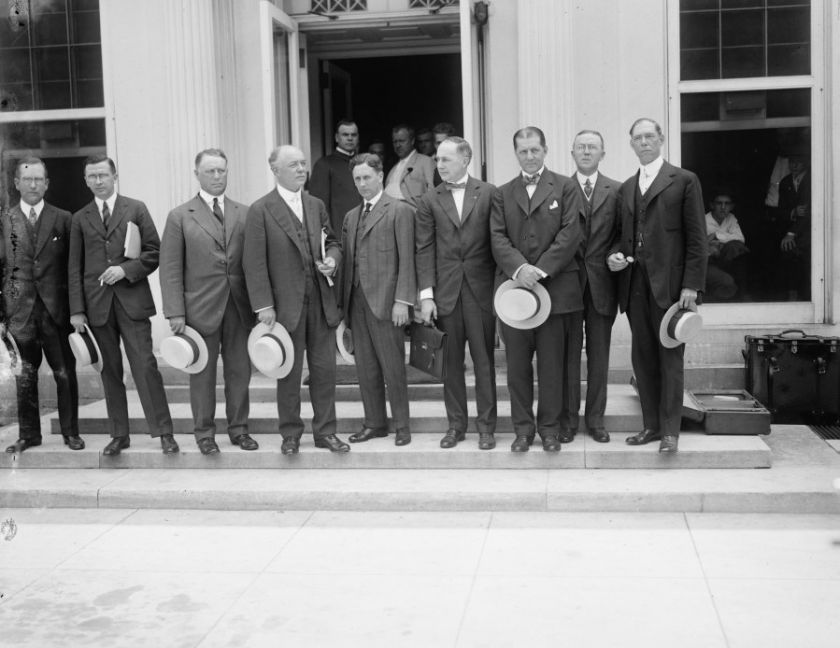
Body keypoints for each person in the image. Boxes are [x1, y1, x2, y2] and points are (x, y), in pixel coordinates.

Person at [607, 118, 707, 453]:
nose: (645, 142)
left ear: (661, 139)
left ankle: (670, 432)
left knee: (670, 359)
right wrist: (615, 258)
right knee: (643, 357)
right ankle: (650, 425)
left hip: (671, 288)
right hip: (635, 285)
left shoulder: (684, 180)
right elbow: (620, 240)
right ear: (631, 144)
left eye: (650, 136)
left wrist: (691, 286)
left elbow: (697, 239)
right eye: (638, 138)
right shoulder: (626, 188)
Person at [243, 145, 349, 455]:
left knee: (324, 371)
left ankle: (326, 432)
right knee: (287, 373)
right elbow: (254, 262)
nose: (302, 169)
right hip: (283, 307)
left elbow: (332, 240)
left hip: (320, 301)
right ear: (275, 170)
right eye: (293, 165)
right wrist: (263, 305)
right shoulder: (261, 209)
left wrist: (332, 258)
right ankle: (290, 434)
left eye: (303, 163)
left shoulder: (315, 204)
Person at [68, 154, 177, 456]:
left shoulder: (135, 208)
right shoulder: (80, 218)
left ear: (115, 176)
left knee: (145, 366)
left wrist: (125, 271)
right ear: (86, 180)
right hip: (96, 306)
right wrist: (77, 311)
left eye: (103, 175)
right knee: (109, 371)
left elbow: (154, 251)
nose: (98, 181)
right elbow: (73, 268)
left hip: (132, 301)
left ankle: (164, 432)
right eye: (92, 176)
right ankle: (119, 435)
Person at [490, 126, 583, 453]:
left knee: (551, 367)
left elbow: (571, 233)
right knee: (516, 368)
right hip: (514, 295)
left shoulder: (566, 187)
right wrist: (520, 269)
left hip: (554, 293)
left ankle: (549, 430)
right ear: (515, 154)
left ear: (545, 150)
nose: (529, 157)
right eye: (522, 151)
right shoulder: (502, 193)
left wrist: (540, 269)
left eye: (534, 150)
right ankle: (522, 430)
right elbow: (497, 237)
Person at [159, 149, 257, 455]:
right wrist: (175, 312)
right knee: (202, 374)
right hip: (199, 309)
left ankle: (239, 429)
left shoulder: (244, 212)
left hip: (239, 307)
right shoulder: (180, 216)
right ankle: (204, 434)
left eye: (222, 171)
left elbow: (255, 263)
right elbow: (171, 268)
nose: (217, 177)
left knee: (239, 371)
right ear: (197, 174)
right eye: (211, 171)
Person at [416, 137, 498, 450]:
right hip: (446, 294)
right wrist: (426, 296)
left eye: (445, 159)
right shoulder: (429, 199)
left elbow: (497, 243)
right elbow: (423, 249)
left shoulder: (489, 193)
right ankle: (456, 426)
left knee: (484, 363)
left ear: (466, 159)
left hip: (480, 292)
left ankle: (487, 428)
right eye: (437, 160)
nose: (439, 165)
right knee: (450, 366)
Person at [1, 157, 82, 453]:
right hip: (19, 314)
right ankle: (29, 435)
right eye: (28, 179)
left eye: (39, 179)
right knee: (25, 376)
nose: (33, 185)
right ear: (17, 183)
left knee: (64, 373)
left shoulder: (64, 218)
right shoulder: (5, 220)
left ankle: (70, 432)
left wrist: (76, 310)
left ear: (47, 183)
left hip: (56, 311)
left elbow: (74, 268)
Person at [341, 153, 415, 446]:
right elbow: (348, 261)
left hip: (387, 302)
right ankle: (374, 423)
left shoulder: (399, 211)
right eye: (357, 179)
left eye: (367, 177)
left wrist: (403, 301)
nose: (362, 184)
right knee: (366, 368)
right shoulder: (350, 216)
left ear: (380, 176)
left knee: (392, 367)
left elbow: (408, 259)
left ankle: (402, 426)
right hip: (356, 302)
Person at [563, 130, 620, 444]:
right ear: (572, 152)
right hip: (568, 285)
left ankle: (595, 420)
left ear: (602, 153)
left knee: (599, 357)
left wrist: (615, 256)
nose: (586, 152)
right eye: (581, 147)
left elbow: (620, 237)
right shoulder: (559, 187)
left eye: (592, 147)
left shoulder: (617, 190)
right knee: (569, 357)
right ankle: (569, 420)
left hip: (602, 285)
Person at [308, 120, 360, 235]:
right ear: (337, 138)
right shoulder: (324, 164)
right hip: (339, 236)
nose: (350, 138)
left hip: (363, 233)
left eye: (354, 135)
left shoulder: (362, 164)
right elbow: (318, 207)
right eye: (345, 135)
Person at [778, 152, 810, 301]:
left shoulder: (812, 178)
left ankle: (807, 296)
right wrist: (793, 211)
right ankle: (792, 295)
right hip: (791, 228)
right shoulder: (785, 182)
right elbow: (781, 210)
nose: (794, 165)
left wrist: (791, 233)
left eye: (798, 162)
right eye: (792, 162)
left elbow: (808, 211)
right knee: (788, 254)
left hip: (809, 229)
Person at [704, 191, 748, 302]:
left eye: (727, 204)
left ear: (732, 206)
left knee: (737, 247)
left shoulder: (731, 218)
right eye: (719, 203)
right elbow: (701, 244)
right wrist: (711, 244)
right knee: (727, 283)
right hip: (707, 262)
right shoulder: (703, 220)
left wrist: (716, 236)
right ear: (712, 205)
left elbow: (740, 238)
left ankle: (741, 292)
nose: (723, 207)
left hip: (724, 260)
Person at [384, 124, 435, 207]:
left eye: (402, 141)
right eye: (395, 142)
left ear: (412, 141)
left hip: (412, 212)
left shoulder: (426, 161)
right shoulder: (393, 168)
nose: (398, 145)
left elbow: (434, 193)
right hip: (388, 213)